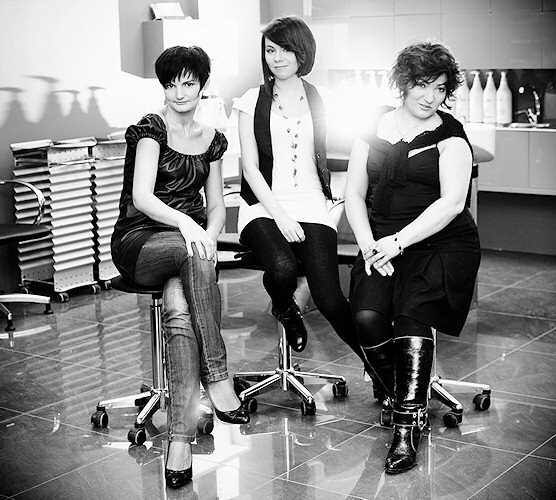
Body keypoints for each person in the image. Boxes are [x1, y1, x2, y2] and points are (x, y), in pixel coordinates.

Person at [111, 45, 249, 489]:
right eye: (170, 84)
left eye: (188, 83)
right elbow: (142, 197)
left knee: (179, 311)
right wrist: (190, 228)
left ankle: (179, 441)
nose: (178, 92)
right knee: (195, 254)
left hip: (188, 249)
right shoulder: (151, 130)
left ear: (202, 85)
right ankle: (218, 375)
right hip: (141, 241)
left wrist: (208, 233)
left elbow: (217, 207)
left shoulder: (212, 140)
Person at [344, 41, 481, 474]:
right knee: (366, 317)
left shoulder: (451, 136)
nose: (430, 96)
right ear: (403, 83)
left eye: (440, 88)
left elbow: (452, 203)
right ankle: (399, 394)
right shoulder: (372, 126)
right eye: (422, 85)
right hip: (380, 241)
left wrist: (398, 242)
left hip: (439, 243)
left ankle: (407, 428)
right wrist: (369, 244)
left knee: (410, 316)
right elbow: (353, 193)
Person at [233, 15, 366, 371]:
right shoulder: (251, 101)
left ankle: (379, 369)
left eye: (285, 50)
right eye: (270, 50)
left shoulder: (321, 98)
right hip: (262, 205)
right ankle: (286, 309)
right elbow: (250, 170)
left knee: (331, 298)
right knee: (282, 267)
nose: (277, 58)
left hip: (311, 203)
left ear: (302, 52)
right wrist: (281, 216)